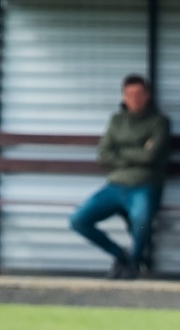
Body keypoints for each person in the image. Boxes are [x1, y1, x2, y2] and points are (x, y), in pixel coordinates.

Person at [69, 74, 169, 279]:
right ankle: (121, 255)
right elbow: (104, 154)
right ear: (123, 97)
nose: (134, 99)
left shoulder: (159, 122)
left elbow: (150, 156)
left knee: (141, 220)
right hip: (115, 185)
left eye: (139, 94)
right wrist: (137, 151)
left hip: (144, 185)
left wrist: (121, 151)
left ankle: (134, 262)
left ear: (148, 95)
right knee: (78, 220)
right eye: (129, 94)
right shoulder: (116, 120)